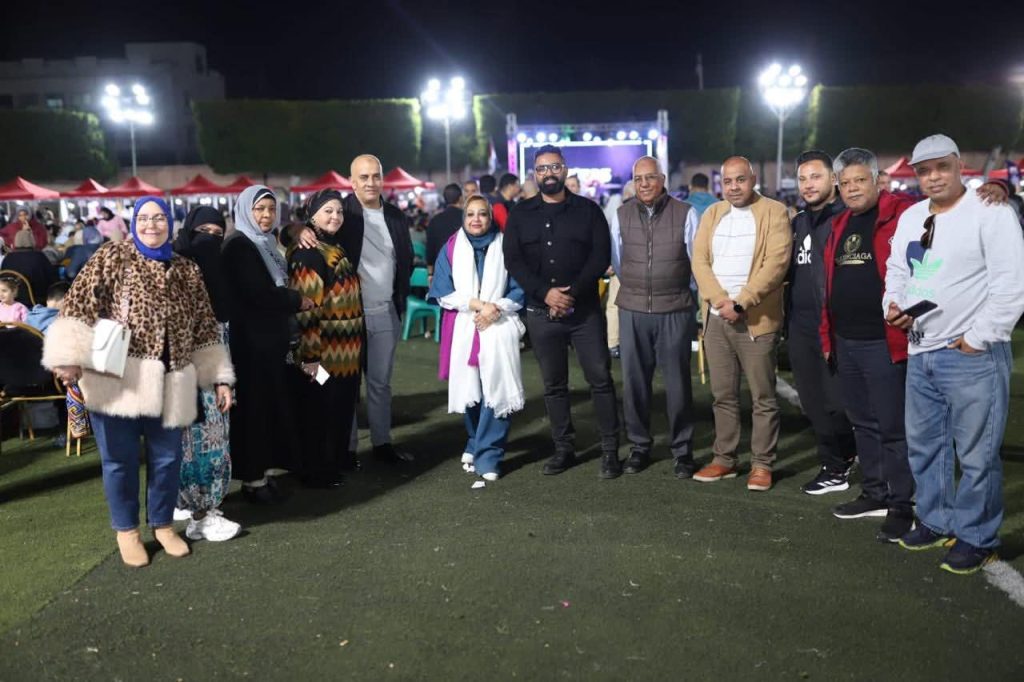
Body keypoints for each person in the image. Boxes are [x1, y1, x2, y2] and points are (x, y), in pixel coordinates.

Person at [42, 195, 234, 567]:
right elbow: (78, 304)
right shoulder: (112, 257)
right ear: (133, 222)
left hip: (172, 381)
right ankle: (127, 531)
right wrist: (68, 358)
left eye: (159, 218)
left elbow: (204, 326)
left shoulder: (186, 269)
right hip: (116, 381)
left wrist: (218, 378)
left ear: (170, 223)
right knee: (119, 461)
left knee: (167, 459)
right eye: (144, 218)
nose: (151, 224)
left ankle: (162, 525)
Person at [885, 134, 1024, 573]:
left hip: (970, 354)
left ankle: (978, 537)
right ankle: (935, 520)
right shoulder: (912, 216)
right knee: (925, 448)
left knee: (977, 455)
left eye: (941, 167)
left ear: (959, 165)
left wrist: (978, 338)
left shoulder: (991, 211)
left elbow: (1011, 283)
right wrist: (893, 305)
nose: (933, 177)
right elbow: (897, 270)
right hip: (921, 349)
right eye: (924, 170)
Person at [503, 145, 621, 478]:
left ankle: (610, 450)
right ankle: (563, 449)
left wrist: (570, 295)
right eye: (542, 169)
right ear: (535, 174)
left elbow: (600, 256)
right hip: (541, 313)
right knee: (554, 385)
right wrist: (546, 293)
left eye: (554, 167)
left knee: (600, 380)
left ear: (565, 169)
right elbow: (513, 260)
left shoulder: (588, 210)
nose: (549, 173)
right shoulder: (520, 214)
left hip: (584, 312)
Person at [819, 147, 915, 543]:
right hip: (847, 340)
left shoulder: (905, 212)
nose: (853, 188)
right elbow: (828, 285)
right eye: (846, 183)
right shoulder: (840, 223)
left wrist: (996, 189)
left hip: (884, 340)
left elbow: (946, 209)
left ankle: (902, 504)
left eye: (860, 180)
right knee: (862, 422)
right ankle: (875, 492)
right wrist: (828, 337)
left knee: (893, 427)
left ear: (877, 181)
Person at [297, 155, 414, 464]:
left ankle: (382, 443)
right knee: (346, 385)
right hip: (347, 317)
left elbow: (404, 258)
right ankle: (346, 449)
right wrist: (298, 230)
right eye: (364, 177)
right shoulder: (342, 211)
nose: (371, 182)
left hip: (385, 311)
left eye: (376, 176)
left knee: (380, 383)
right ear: (352, 181)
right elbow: (313, 221)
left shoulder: (396, 216)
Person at [691, 156, 792, 492]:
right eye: (727, 181)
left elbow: (776, 264)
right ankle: (725, 459)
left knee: (763, 396)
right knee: (722, 395)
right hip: (716, 318)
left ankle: (762, 464)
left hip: (755, 320)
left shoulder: (774, 212)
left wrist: (741, 303)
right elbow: (699, 261)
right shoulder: (712, 213)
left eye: (740, 180)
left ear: (753, 179)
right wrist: (720, 301)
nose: (734, 187)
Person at [609, 156, 698, 478]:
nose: (644, 184)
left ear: (663, 180)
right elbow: (618, 261)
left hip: (674, 309)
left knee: (678, 385)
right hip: (633, 310)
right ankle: (639, 447)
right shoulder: (620, 214)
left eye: (650, 177)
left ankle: (682, 451)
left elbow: (696, 261)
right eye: (638, 179)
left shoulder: (686, 213)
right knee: (634, 384)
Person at [223, 185, 313, 503]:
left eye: (271, 209)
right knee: (255, 411)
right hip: (251, 345)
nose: (266, 215)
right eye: (259, 209)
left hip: (270, 341)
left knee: (271, 406)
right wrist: (296, 300)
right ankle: (253, 479)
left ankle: (265, 472)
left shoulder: (265, 242)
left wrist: (296, 229)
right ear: (245, 211)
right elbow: (257, 293)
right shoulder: (239, 245)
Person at [429, 195, 525, 484]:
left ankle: (489, 455)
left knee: (496, 388)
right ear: (464, 217)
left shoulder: (506, 246)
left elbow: (519, 288)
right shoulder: (451, 247)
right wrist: (479, 305)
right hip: (465, 325)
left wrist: (496, 309)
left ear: (490, 217)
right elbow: (443, 291)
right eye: (470, 214)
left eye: (482, 214)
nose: (476, 219)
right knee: (470, 390)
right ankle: (474, 441)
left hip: (499, 324)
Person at [787, 150, 857, 495]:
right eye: (802, 179)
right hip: (799, 326)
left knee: (839, 403)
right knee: (812, 401)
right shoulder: (798, 222)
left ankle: (850, 457)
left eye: (815, 177)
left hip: (835, 325)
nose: (808, 184)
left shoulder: (849, 218)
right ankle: (834, 466)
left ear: (833, 179)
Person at [170, 206, 241, 541]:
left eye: (217, 235)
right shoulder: (178, 269)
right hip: (188, 370)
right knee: (197, 438)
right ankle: (201, 511)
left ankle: (198, 508)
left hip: (214, 366)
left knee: (210, 434)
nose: (210, 241)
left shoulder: (215, 270)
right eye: (203, 233)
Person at [287, 189, 364, 487]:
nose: (335, 216)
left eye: (339, 211)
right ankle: (316, 471)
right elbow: (307, 310)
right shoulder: (309, 252)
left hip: (344, 355)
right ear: (312, 215)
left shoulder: (331, 245)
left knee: (338, 410)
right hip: (323, 357)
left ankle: (333, 462)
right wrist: (311, 359)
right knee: (320, 412)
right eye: (328, 211)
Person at [2, 228, 57, 304]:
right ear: (32, 240)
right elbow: (52, 279)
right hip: (36, 300)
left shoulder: (8, 258)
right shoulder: (39, 256)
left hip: (11, 299)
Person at [426, 184, 464, 270]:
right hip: (463, 267)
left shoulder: (434, 220)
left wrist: (430, 272)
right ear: (461, 198)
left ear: (444, 199)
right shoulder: (467, 218)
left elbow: (430, 250)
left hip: (442, 268)